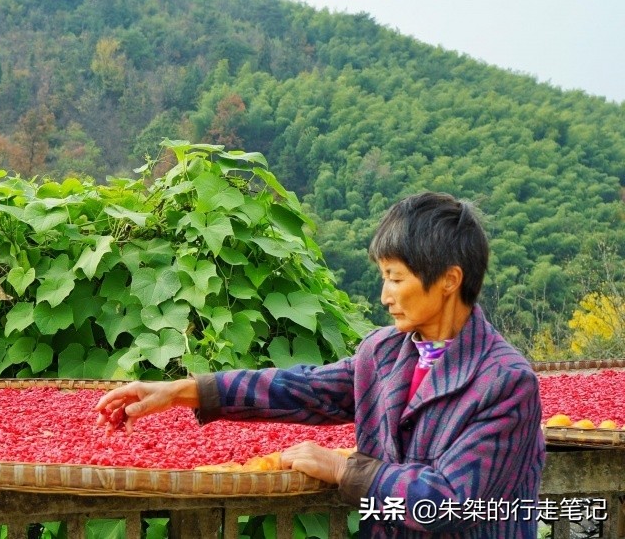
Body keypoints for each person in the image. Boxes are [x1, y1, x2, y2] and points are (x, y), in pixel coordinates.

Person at [95, 192, 545, 538]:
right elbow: (304, 388)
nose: (385, 295)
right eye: (383, 277)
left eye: (396, 279)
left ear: (449, 280)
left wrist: (343, 469)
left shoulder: (505, 383)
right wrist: (180, 391)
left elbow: (451, 502)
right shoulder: (385, 353)